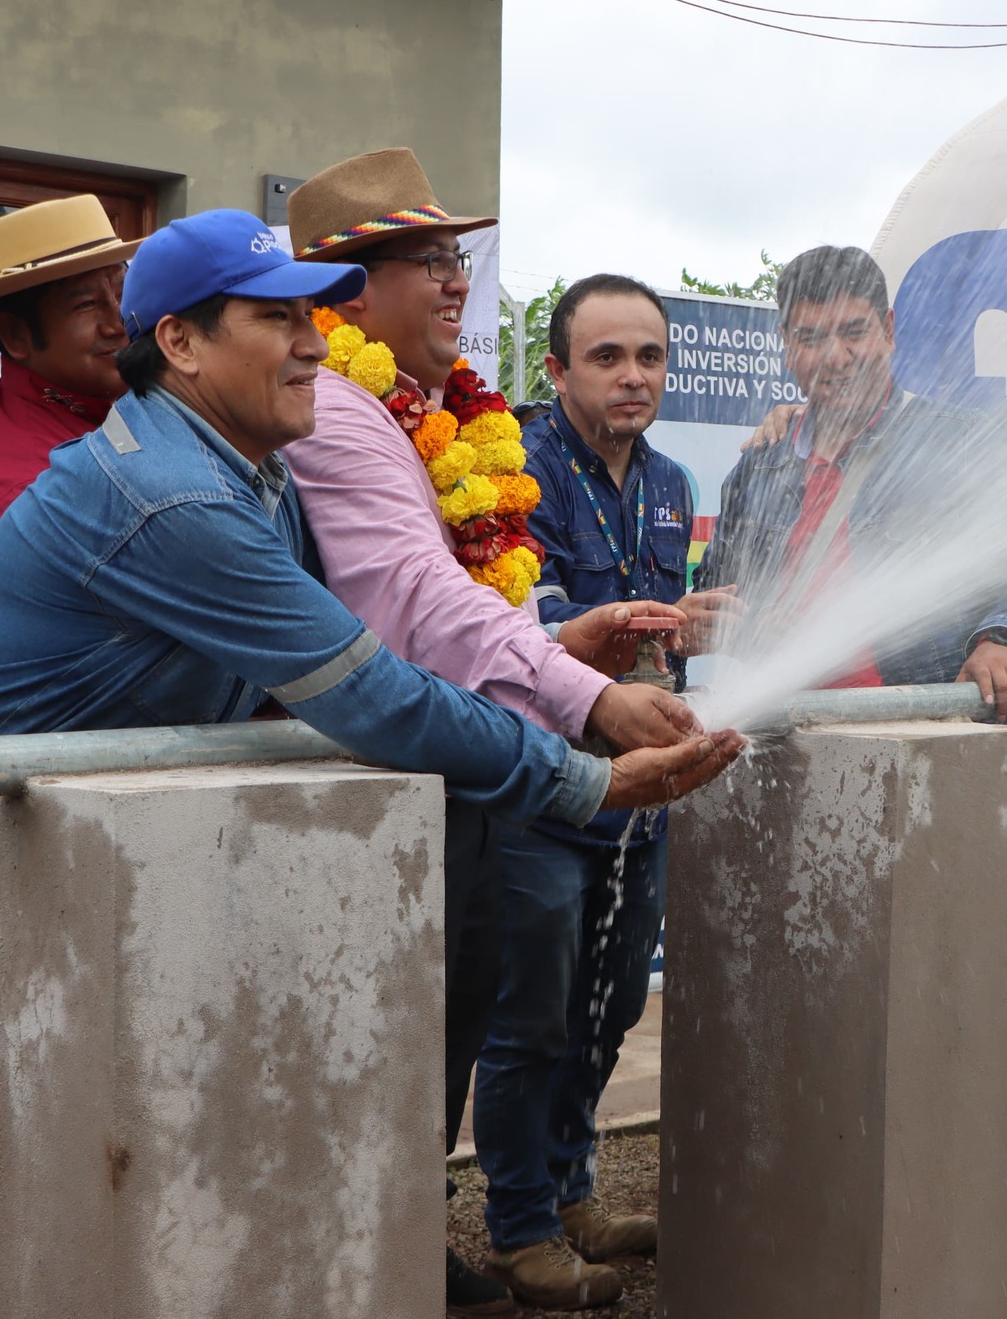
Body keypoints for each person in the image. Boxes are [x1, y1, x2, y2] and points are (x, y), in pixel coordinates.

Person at [0, 209, 741, 1319]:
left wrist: (544, 658)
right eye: (273, 318)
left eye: (312, 314)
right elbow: (362, 691)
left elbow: (369, 647)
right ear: (182, 346)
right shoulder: (175, 496)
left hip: (38, 829)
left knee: (30, 1155)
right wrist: (580, 776)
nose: (311, 340)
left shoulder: (252, 473)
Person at [280, 149, 697, 1316]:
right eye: (428, 261)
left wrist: (584, 666)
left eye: (456, 259)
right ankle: (488, 1233)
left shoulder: (453, 422)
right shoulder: (345, 418)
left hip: (533, 756)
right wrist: (590, 692)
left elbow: (489, 607)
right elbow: (420, 604)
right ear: (347, 295)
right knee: (515, 1011)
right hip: (491, 775)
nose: (456, 283)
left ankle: (541, 1202)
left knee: (591, 1002)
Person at [467, 274, 735, 1310]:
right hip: (542, 783)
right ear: (555, 369)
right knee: (530, 1014)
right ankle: (520, 1229)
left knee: (613, 998)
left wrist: (694, 618)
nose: (632, 378)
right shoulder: (511, 468)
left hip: (645, 785)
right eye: (606, 358)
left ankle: (573, 1192)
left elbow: (656, 619)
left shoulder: (668, 478)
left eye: (649, 358)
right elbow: (514, 625)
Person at [695, 244, 1007, 714]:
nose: (835, 357)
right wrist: (753, 626)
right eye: (810, 338)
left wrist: (999, 637)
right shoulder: (757, 467)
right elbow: (714, 591)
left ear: (889, 330)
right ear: (787, 346)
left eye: (854, 332)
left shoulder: (960, 442)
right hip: (781, 732)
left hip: (918, 729)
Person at [0, 194, 139, 611]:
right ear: (15, 334)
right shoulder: (29, 493)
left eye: (124, 292)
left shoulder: (102, 403)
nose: (119, 322)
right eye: (86, 304)